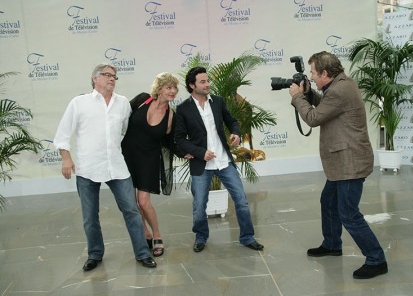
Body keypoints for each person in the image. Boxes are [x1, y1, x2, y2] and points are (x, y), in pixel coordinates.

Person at [288, 51, 388, 279]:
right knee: (328, 201)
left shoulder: (340, 90)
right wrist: (309, 94)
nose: (311, 77)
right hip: (342, 161)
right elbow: (326, 105)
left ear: (325, 72)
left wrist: (297, 97)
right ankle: (332, 244)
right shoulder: (340, 84)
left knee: (349, 214)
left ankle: (376, 259)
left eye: (313, 73)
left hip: (349, 163)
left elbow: (314, 118)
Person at [53, 63, 157, 271]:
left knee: (131, 211)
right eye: (107, 75)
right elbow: (62, 135)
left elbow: (125, 132)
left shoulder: (123, 103)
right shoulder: (79, 103)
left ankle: (142, 253)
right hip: (87, 168)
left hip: (117, 167)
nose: (112, 78)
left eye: (114, 76)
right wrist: (66, 158)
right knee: (90, 216)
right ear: (95, 79)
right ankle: (95, 254)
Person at [174, 66, 264, 253]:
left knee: (241, 199)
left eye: (208, 81)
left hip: (224, 162)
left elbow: (232, 121)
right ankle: (201, 237)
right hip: (201, 164)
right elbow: (180, 139)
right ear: (192, 85)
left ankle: (247, 237)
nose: (207, 84)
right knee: (199, 205)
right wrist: (200, 152)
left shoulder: (218, 102)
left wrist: (236, 133)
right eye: (203, 82)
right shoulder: (183, 109)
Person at [121, 72, 181, 257]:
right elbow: (119, 117)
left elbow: (170, 142)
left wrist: (189, 153)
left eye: (174, 88)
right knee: (131, 203)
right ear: (159, 89)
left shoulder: (171, 116)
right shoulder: (142, 100)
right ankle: (145, 232)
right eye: (168, 87)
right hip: (127, 156)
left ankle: (156, 234)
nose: (173, 91)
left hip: (148, 160)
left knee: (143, 202)